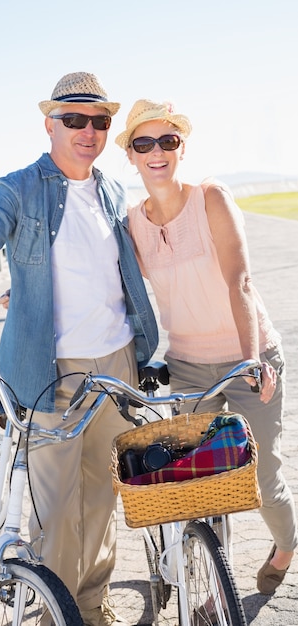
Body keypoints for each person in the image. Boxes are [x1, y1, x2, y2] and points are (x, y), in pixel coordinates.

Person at [0, 73, 159, 626]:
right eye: (73, 119)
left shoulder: (112, 190)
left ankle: (91, 605)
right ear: (50, 125)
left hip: (116, 362)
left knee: (105, 497)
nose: (87, 131)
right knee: (57, 510)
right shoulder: (19, 189)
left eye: (98, 121)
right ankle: (54, 615)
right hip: (47, 369)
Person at [114, 98, 297, 596]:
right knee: (202, 479)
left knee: (260, 473)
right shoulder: (133, 223)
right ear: (130, 155)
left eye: (167, 141)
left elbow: (239, 281)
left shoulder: (211, 197)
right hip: (189, 367)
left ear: (181, 148)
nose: (156, 152)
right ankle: (218, 574)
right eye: (143, 143)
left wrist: (251, 359)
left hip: (249, 355)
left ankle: (286, 544)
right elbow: (111, 284)